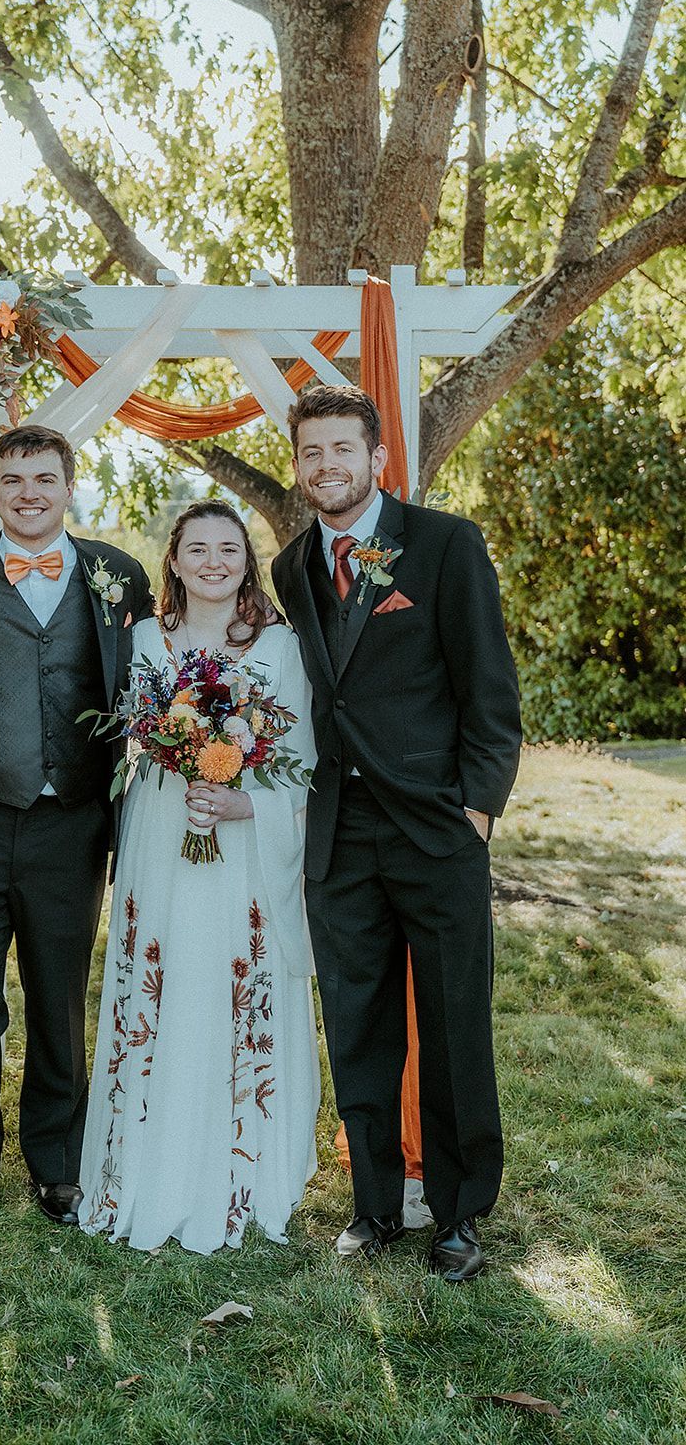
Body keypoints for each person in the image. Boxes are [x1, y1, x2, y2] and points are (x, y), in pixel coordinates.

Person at [272, 384, 521, 1282]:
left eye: (342, 449)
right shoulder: (292, 566)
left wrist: (477, 809)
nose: (326, 466)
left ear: (376, 457)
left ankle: (458, 1212)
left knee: (454, 1025)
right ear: (297, 466)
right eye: (310, 453)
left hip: (436, 829)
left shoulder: (444, 544)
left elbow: (489, 690)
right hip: (338, 839)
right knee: (357, 1023)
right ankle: (375, 1204)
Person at [0, 424, 153, 1228]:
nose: (28, 493)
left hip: (72, 828)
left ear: (68, 484)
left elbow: (151, 694)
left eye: (44, 478)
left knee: (58, 1000)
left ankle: (56, 1162)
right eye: (13, 479)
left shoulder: (118, 577)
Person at [79, 503, 319, 1254]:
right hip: (160, 834)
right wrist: (181, 759)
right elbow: (132, 739)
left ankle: (239, 1172)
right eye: (196, 550)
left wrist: (244, 801)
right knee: (167, 977)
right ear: (173, 563)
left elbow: (303, 759)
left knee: (229, 980)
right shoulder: (144, 638)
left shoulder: (279, 648)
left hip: (242, 847)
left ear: (247, 563)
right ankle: (148, 1164)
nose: (213, 561)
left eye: (228, 549)